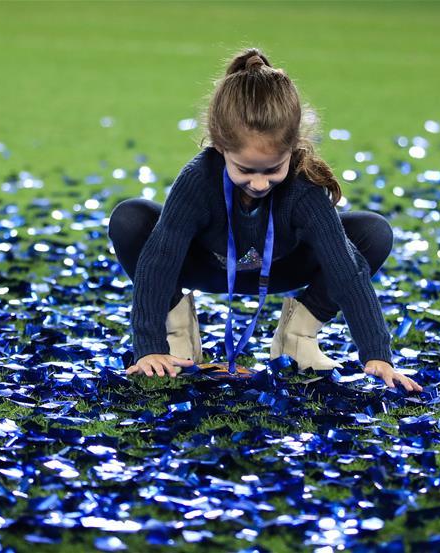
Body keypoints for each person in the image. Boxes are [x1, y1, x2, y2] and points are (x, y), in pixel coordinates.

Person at [108, 47, 422, 393]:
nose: (259, 184)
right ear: (220, 145)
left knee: (372, 233)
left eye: (273, 169)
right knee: (130, 220)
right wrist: (149, 345)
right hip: (208, 266)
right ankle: (177, 337)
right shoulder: (198, 179)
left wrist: (377, 354)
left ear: (291, 147)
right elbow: (160, 259)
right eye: (245, 169)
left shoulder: (303, 187)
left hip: (282, 267)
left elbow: (345, 267)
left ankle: (297, 337)